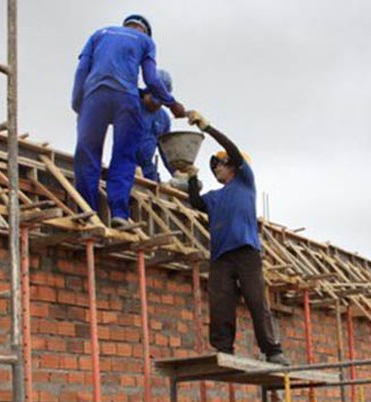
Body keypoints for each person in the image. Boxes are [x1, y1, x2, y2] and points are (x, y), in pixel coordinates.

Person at [185, 110, 289, 366]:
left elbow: (230, 147)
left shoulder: (244, 181)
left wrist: (207, 128)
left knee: (256, 300)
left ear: (232, 165)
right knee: (220, 303)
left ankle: (272, 350)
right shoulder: (215, 196)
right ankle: (223, 347)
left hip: (246, 252)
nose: (217, 169)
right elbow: (196, 201)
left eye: (220, 164)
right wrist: (191, 176)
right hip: (221, 257)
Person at [72, 14, 186, 229]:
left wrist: (79, 104)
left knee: (87, 153)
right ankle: (119, 214)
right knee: (124, 157)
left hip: (94, 96)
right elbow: (151, 79)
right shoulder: (145, 42)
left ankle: (87, 211)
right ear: (145, 32)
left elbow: (81, 71)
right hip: (126, 97)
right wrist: (172, 103)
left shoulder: (98, 34)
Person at [136, 69, 174, 183]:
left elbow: (166, 152)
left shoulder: (164, 119)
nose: (156, 104)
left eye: (160, 101)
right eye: (153, 100)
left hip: (147, 169)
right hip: (124, 162)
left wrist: (177, 173)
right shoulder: (132, 103)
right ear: (147, 91)